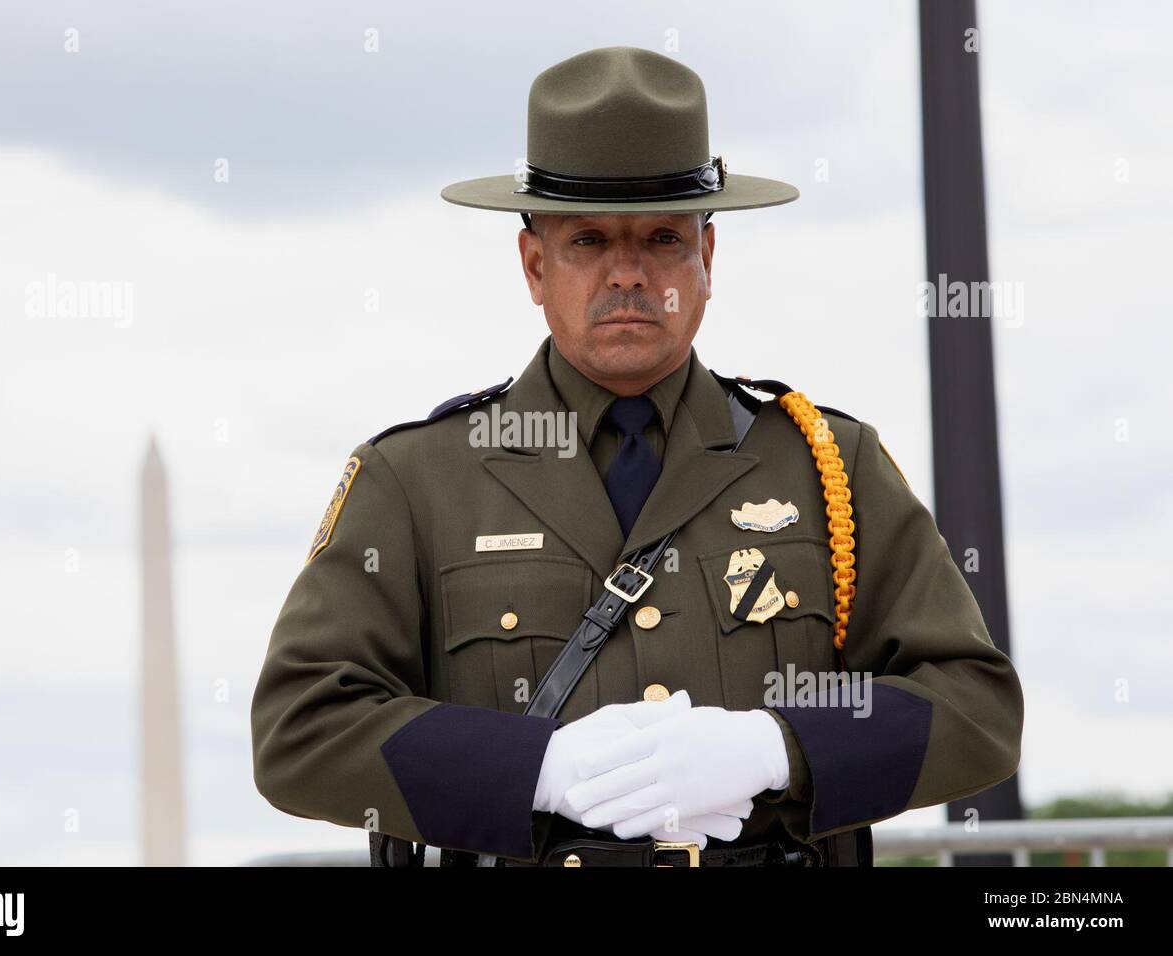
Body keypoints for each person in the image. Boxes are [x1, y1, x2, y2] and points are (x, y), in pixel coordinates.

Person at [250, 46, 1024, 867]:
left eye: (661, 237)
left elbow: (977, 709)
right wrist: (534, 771)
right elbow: (300, 728)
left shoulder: (828, 463)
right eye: (588, 240)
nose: (629, 274)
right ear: (535, 265)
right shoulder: (417, 479)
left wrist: (778, 748)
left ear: (708, 259)